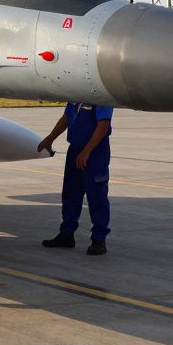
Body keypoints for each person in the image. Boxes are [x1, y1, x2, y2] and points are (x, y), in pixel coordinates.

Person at [37, 101, 113, 255]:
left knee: (96, 195)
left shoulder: (100, 98)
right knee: (71, 193)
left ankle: (99, 240)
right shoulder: (74, 95)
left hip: (95, 152)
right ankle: (67, 234)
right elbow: (66, 117)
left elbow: (103, 126)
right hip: (75, 149)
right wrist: (50, 138)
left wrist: (86, 152)